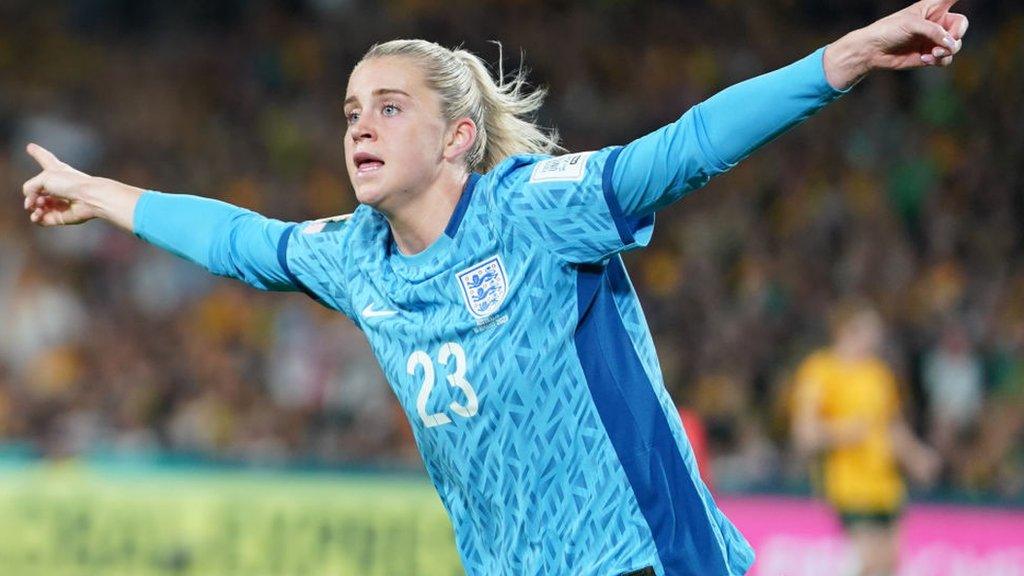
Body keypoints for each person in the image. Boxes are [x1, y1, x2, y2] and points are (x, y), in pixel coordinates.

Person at [20, 1, 967, 574]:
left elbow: (680, 151)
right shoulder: (354, 256)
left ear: (459, 137)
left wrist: (838, 61)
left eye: (391, 108)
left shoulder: (538, 211)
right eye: (352, 110)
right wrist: (101, 194)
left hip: (643, 561)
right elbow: (237, 240)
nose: (361, 125)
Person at [791, 303, 940, 576]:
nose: (877, 337)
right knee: (868, 561)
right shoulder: (821, 370)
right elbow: (804, 433)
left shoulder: (879, 375)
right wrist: (842, 431)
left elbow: (892, 425)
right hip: (849, 484)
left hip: (886, 483)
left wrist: (916, 455)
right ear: (846, 331)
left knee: (888, 564)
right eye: (870, 329)